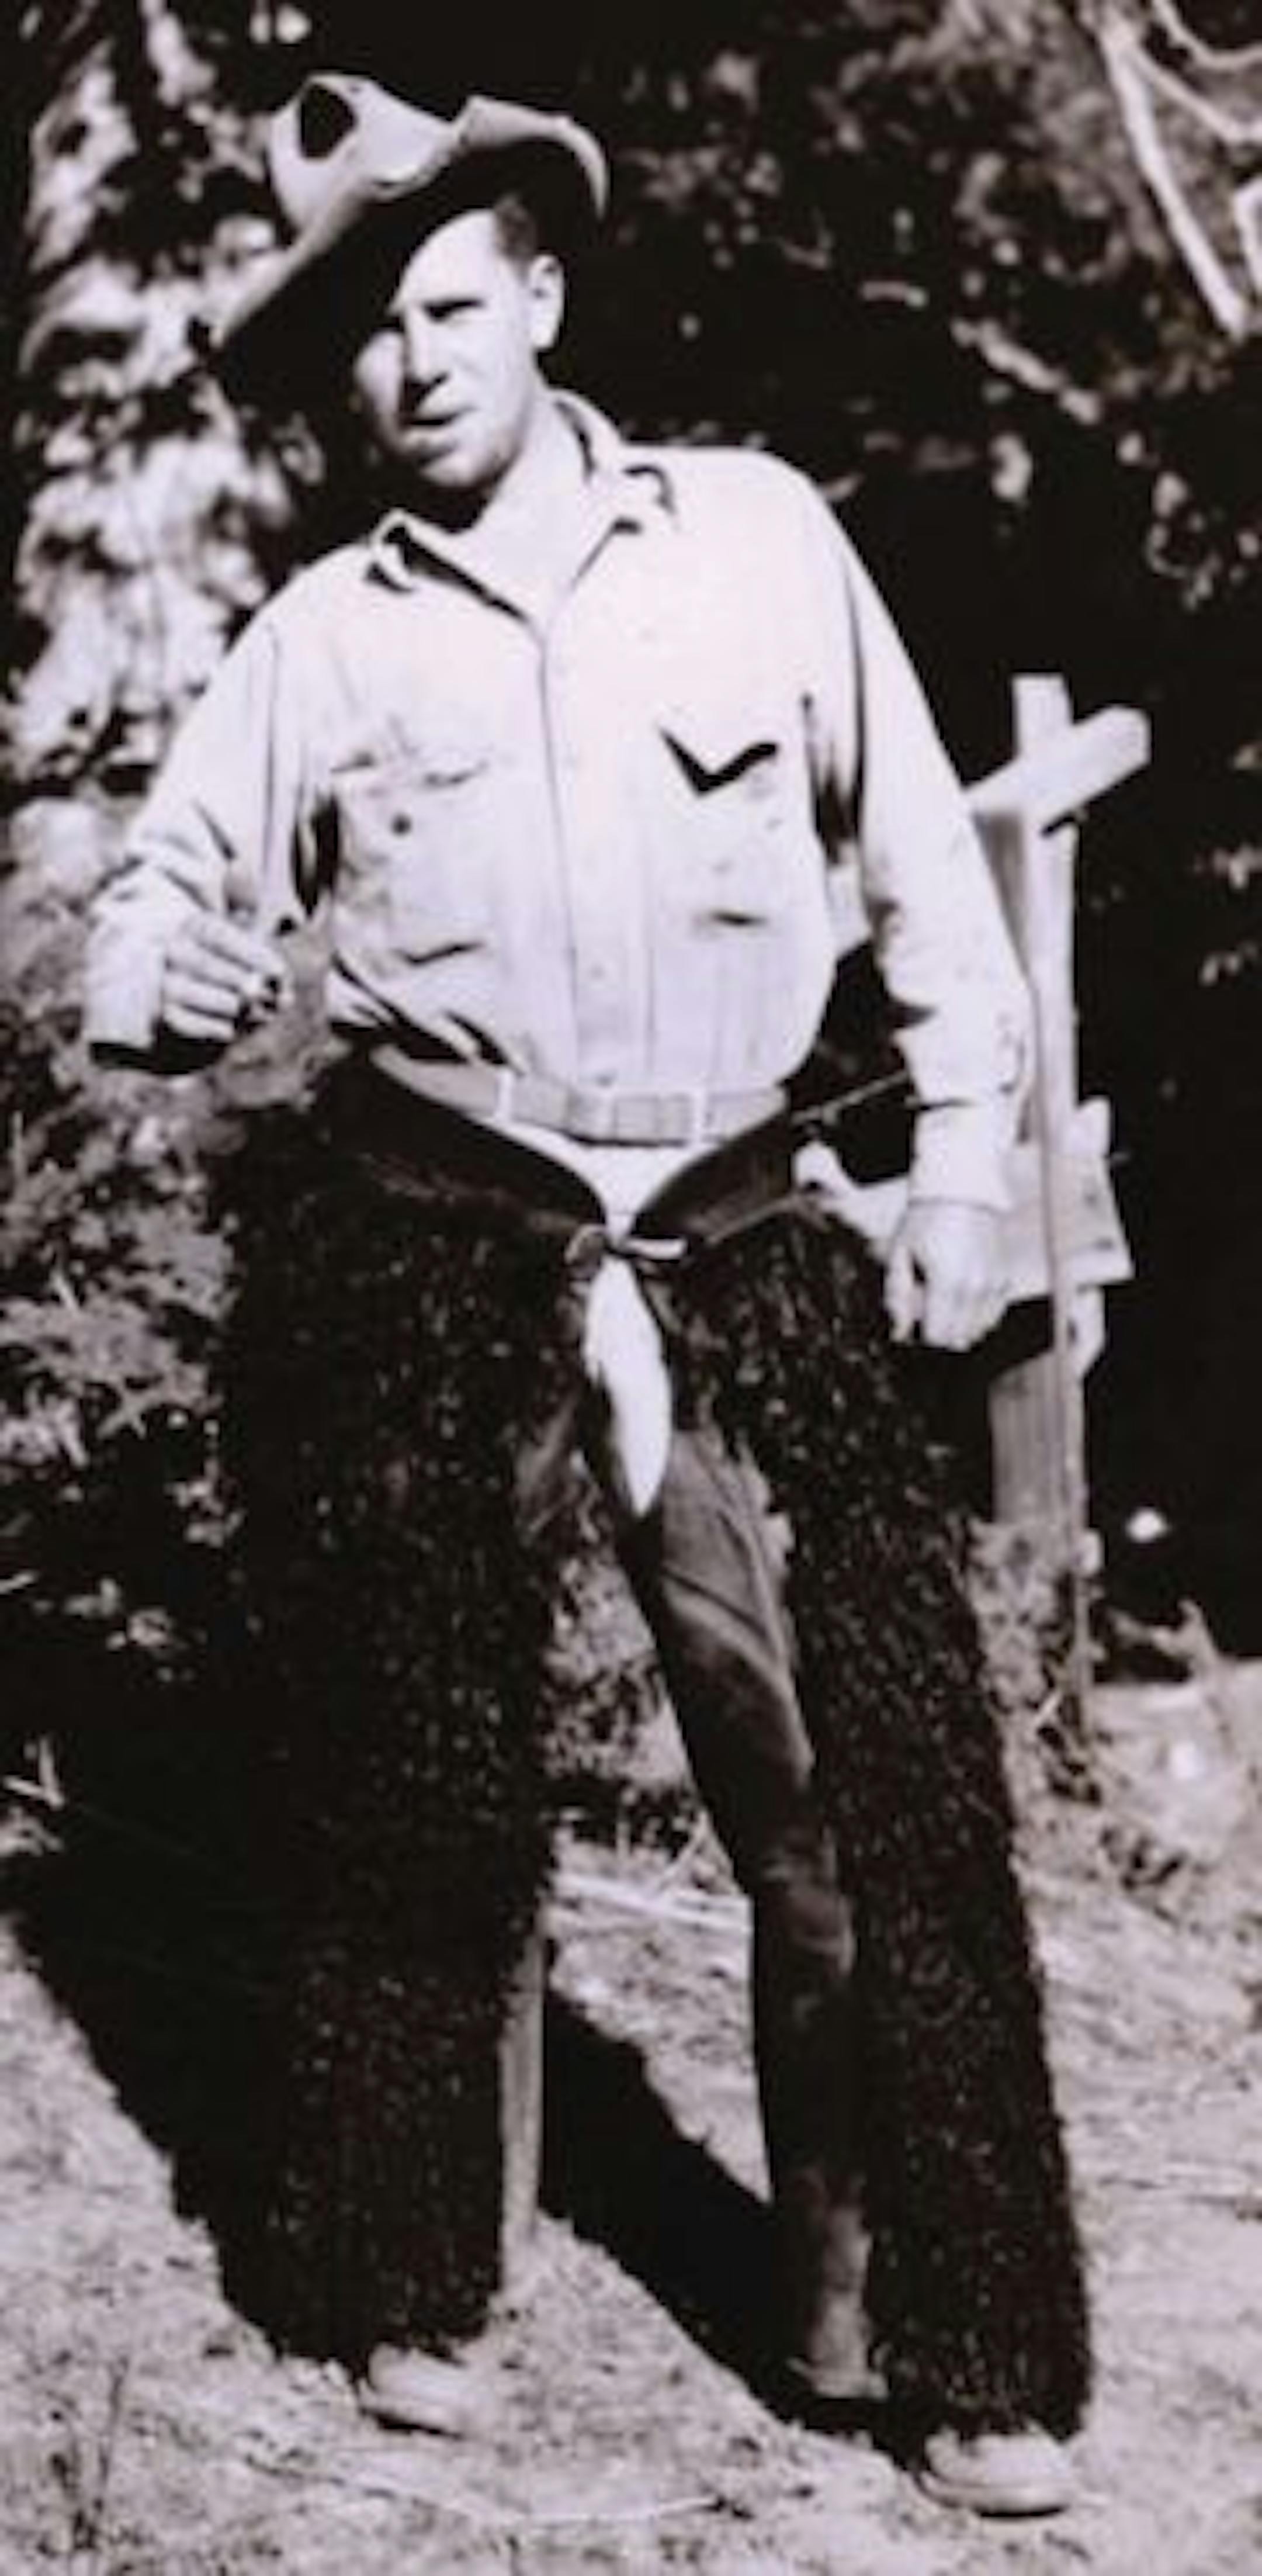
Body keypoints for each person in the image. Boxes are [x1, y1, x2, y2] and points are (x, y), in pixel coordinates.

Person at [84, 72, 1090, 2518]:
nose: (411, 365)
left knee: (870, 1801)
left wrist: (967, 1166)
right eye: (363, 337)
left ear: (538, 292)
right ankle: (419, 2275)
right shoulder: (318, 640)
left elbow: (927, 891)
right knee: (424, 1801)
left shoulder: (754, 544)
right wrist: (168, 980)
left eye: (448, 307)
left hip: (745, 1223)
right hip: (442, 1227)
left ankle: (923, 2331)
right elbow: (158, 920)